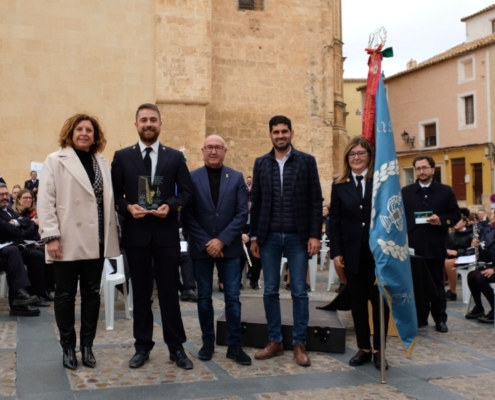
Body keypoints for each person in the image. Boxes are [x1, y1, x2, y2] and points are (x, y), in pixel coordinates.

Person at [111, 103, 195, 370]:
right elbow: (114, 194)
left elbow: (186, 192)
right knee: (142, 294)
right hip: (136, 236)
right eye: (144, 120)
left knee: (170, 291)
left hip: (166, 234)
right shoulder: (123, 156)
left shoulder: (174, 157)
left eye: (153, 120)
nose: (149, 124)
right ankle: (142, 346)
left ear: (160, 124)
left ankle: (176, 347)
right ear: (136, 124)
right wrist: (127, 208)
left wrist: (170, 205)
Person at [38, 114, 120, 370]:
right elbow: (46, 200)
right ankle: (67, 347)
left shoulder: (102, 162)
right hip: (66, 239)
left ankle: (87, 346)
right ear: (71, 132)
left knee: (92, 295)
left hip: (96, 240)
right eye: (79, 129)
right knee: (64, 295)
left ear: (95, 136)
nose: (84, 133)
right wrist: (51, 236)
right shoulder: (55, 160)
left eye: (89, 130)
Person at [250, 115, 322, 367]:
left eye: (284, 131)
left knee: (299, 292)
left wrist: (315, 234)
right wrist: (255, 236)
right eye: (275, 132)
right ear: (270, 134)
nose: (280, 135)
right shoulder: (261, 164)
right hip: (268, 237)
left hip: (298, 236)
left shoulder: (306, 162)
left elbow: (316, 200)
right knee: (270, 290)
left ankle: (299, 343)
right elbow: (256, 203)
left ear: (291, 133)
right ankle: (275, 340)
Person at [182, 134, 251, 365]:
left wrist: (221, 240)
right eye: (209, 147)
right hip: (201, 250)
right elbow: (187, 215)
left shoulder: (237, 177)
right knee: (204, 298)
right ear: (202, 150)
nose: (214, 151)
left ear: (225, 151)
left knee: (232, 298)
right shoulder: (191, 178)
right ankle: (207, 343)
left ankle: (234, 345)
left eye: (218, 147)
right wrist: (208, 242)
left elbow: (242, 213)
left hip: (229, 248)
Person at [328, 136, 390, 370]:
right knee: (358, 302)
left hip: (378, 253)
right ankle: (364, 347)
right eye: (352, 154)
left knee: (379, 302)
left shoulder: (381, 182)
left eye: (360, 153)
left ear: (369, 156)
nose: (356, 157)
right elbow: (334, 221)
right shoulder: (340, 184)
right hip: (352, 253)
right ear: (347, 158)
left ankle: (379, 350)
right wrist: (337, 252)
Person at [402, 155, 461, 333]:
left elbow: (456, 215)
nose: (421, 171)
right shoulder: (405, 192)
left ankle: (440, 319)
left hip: (435, 245)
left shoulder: (445, 191)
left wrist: (441, 220)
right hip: (414, 247)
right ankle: (420, 317)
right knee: (417, 285)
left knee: (437, 285)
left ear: (433, 170)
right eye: (418, 168)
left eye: (425, 167)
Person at [467, 210, 495, 323]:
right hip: (491, 265)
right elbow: (487, 254)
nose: (490, 216)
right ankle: (479, 308)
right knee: (471, 275)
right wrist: (477, 245)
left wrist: (494, 270)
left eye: (493, 214)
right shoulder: (489, 231)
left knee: (480, 277)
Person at [444, 216, 473, 301]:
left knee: (448, 263)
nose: (455, 222)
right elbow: (448, 247)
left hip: (468, 258)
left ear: (464, 222)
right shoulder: (451, 235)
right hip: (454, 258)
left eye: (458, 220)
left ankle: (453, 291)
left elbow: (473, 251)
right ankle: (440, 290)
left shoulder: (471, 234)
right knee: (440, 261)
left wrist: (458, 252)